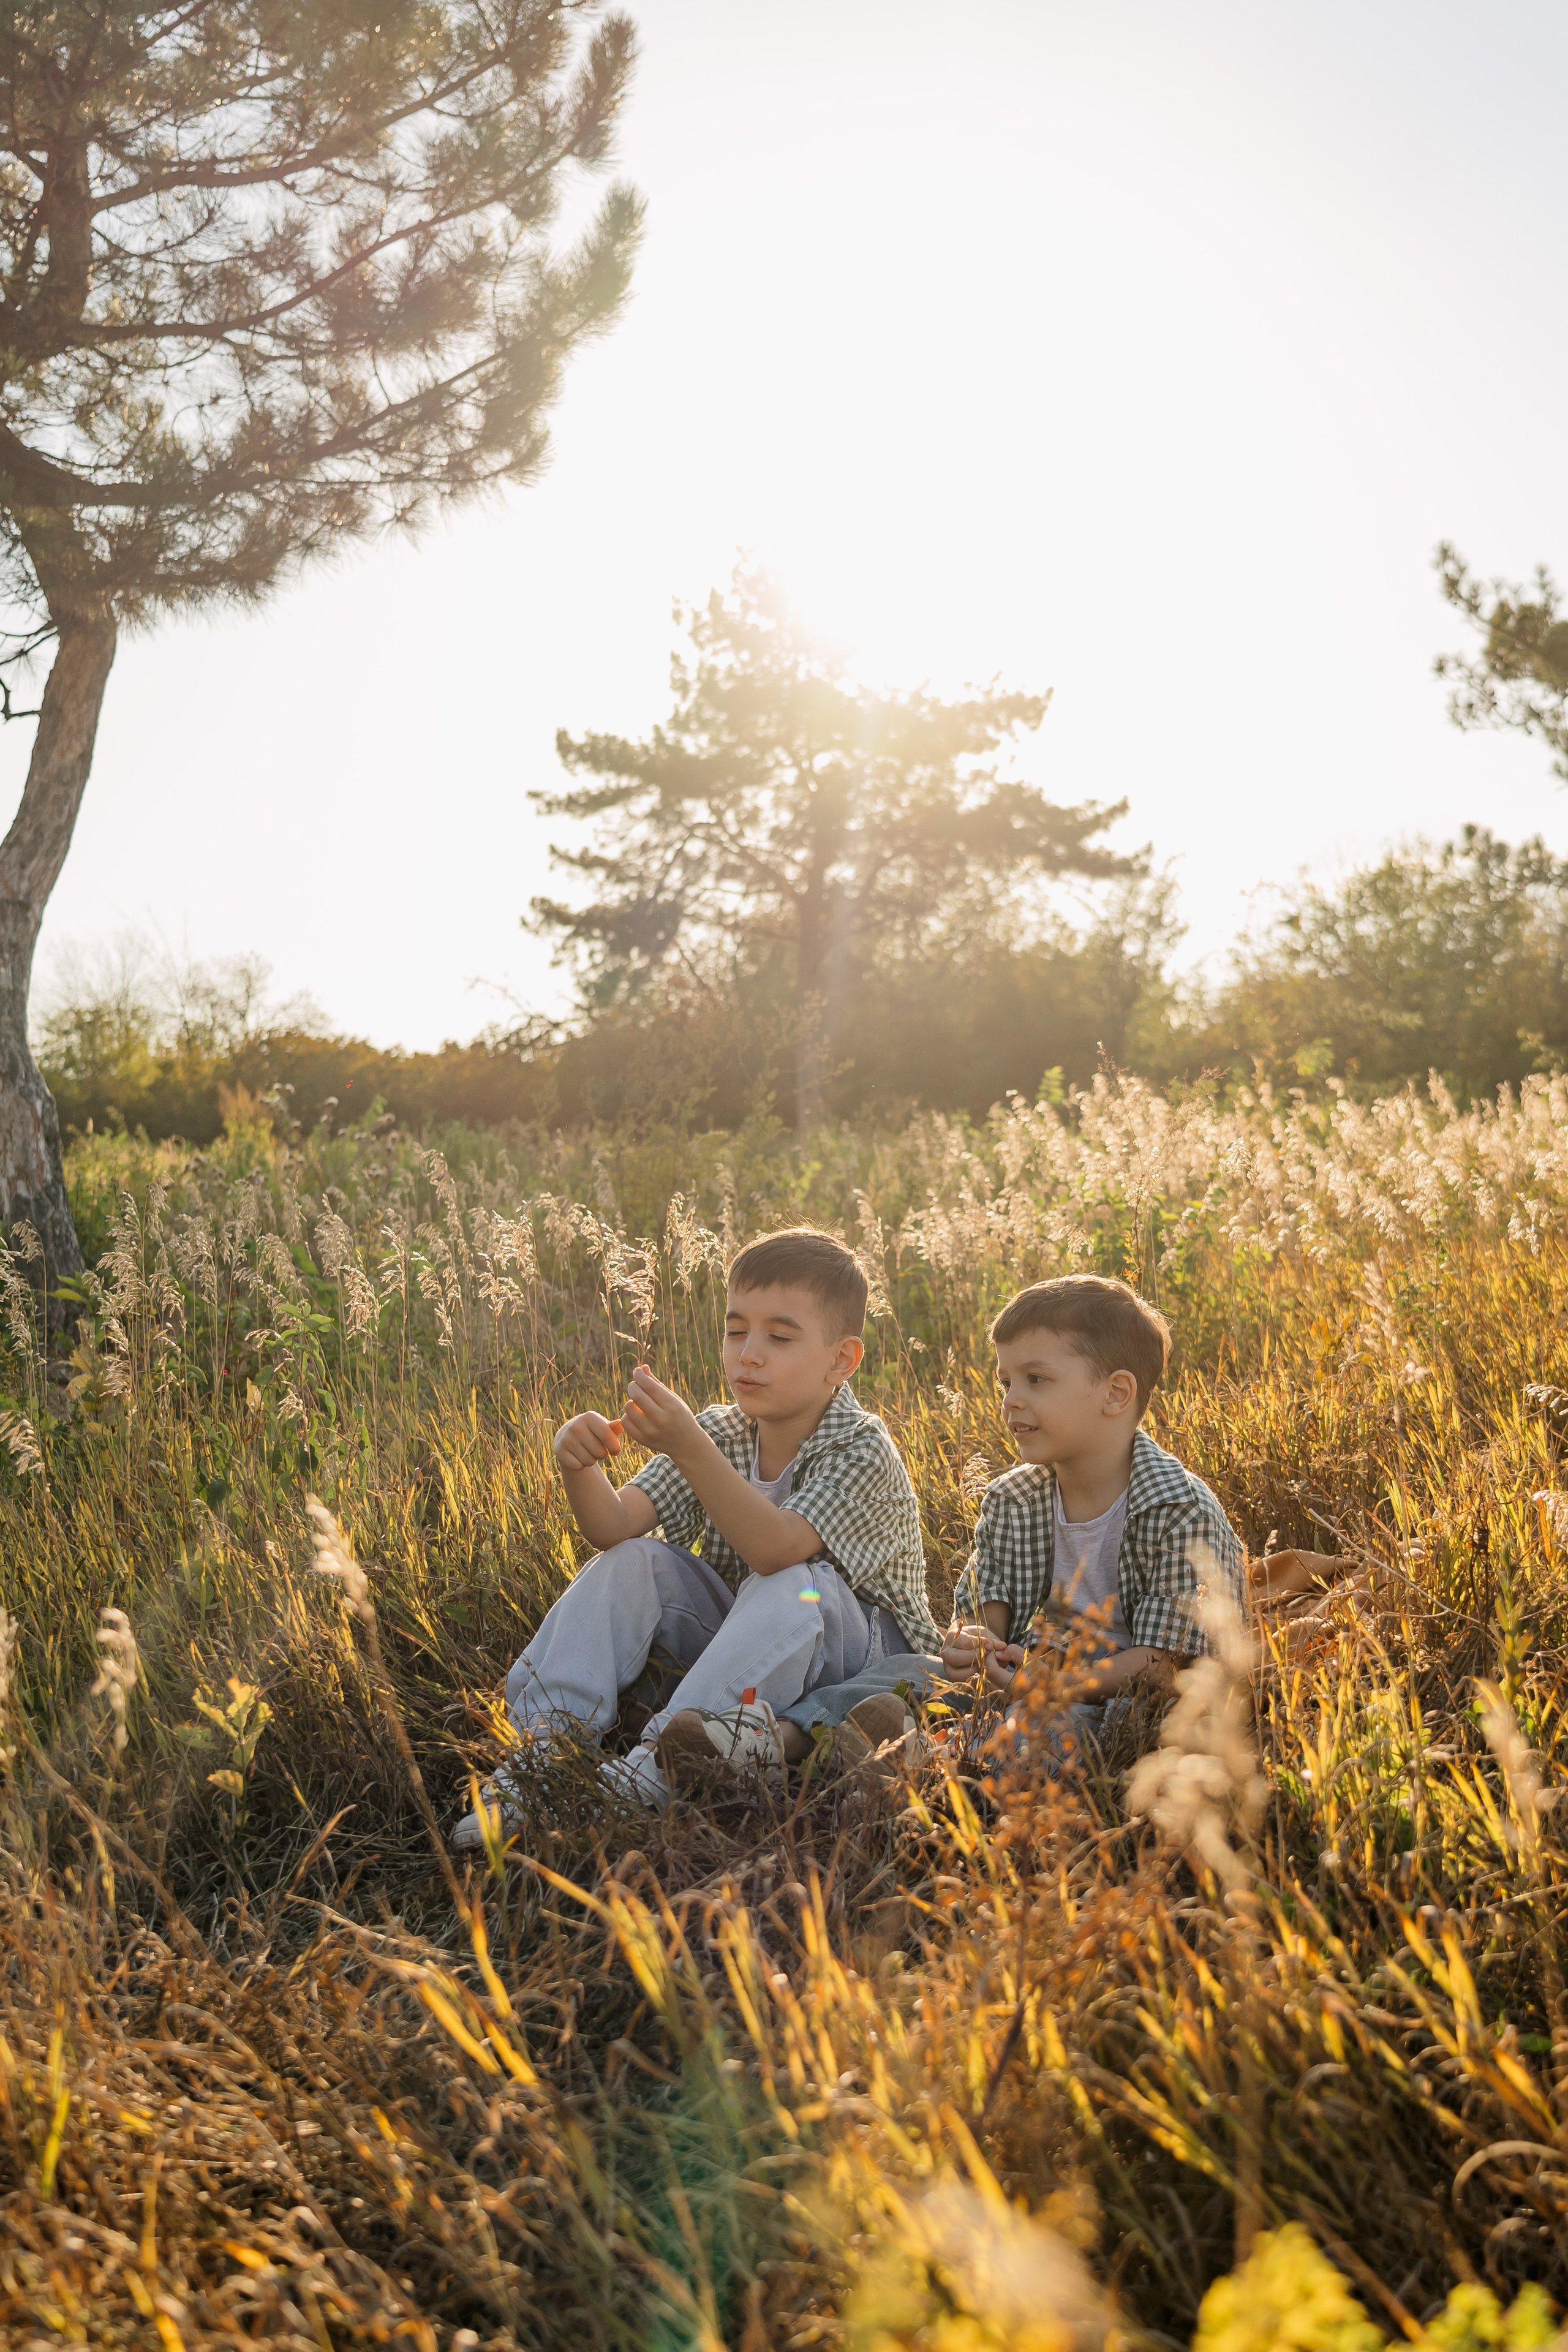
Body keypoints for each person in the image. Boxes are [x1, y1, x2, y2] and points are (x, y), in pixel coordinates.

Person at [451, 1228, 940, 1847]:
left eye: (779, 1337)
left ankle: (651, 1771)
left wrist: (688, 1446)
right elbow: (612, 1526)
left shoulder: (861, 1445)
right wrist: (579, 1467)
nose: (748, 1354)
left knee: (792, 1580)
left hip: (858, 1659)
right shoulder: (723, 1431)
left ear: (841, 1360)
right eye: (736, 1331)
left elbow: (775, 1548)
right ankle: (540, 1757)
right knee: (633, 1562)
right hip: (755, 1650)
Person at [782, 1272, 1244, 1757]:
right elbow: (984, 1607)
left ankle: (930, 1764)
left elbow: (1162, 1664)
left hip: (1107, 1693)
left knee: (1048, 1727)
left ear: (1116, 1394)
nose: (1011, 1400)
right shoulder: (1014, 1499)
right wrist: (974, 1644)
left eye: (1037, 1380)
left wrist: (1051, 1682)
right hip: (1019, 1669)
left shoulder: (1178, 1509)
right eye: (1006, 1382)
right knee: (902, 1670)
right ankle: (773, 1743)